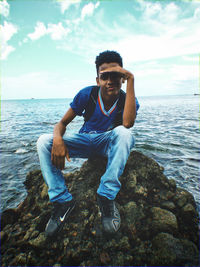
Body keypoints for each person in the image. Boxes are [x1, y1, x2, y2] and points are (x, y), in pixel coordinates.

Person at [37, 50, 140, 237]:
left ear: (122, 77)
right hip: (84, 141)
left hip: (106, 143)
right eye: (104, 76)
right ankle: (62, 201)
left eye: (115, 75)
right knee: (44, 141)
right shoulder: (87, 94)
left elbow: (127, 124)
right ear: (97, 79)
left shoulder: (128, 99)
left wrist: (132, 79)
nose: (110, 81)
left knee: (125, 133)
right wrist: (58, 139)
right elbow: (61, 123)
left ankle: (106, 196)